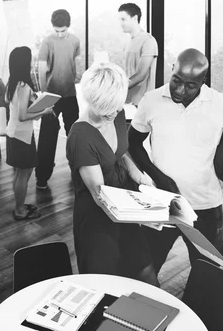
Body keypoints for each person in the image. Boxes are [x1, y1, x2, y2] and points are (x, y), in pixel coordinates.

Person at [128, 48, 223, 276]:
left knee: (210, 276)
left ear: (202, 81)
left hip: (205, 206)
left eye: (190, 86)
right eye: (176, 80)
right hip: (161, 203)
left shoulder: (220, 103)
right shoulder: (152, 100)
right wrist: (159, 178)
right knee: (143, 274)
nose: (179, 89)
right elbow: (133, 142)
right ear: (172, 70)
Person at [66, 63, 159, 284]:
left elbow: (120, 152)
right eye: (107, 108)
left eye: (118, 107)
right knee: (106, 288)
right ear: (92, 101)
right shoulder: (81, 136)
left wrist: (139, 176)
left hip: (125, 209)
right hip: (98, 221)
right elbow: (100, 196)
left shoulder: (116, 112)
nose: (115, 113)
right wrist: (144, 214)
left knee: (148, 277)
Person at [35, 9, 81, 190]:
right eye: (57, 31)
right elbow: (40, 70)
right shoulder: (47, 41)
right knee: (47, 138)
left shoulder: (75, 40)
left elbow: (74, 64)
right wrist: (45, 96)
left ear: (68, 27)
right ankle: (42, 177)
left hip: (70, 95)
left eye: (63, 31)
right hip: (51, 96)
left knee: (75, 136)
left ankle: (77, 173)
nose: (60, 34)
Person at [6, 46, 54, 219]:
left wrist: (36, 104)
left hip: (14, 133)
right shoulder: (23, 86)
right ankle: (19, 210)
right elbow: (23, 115)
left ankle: (19, 205)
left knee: (20, 173)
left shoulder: (12, 84)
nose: (32, 62)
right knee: (24, 173)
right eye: (30, 59)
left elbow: (19, 110)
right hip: (21, 136)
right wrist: (44, 111)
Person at [118, 3, 158, 106]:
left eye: (123, 19)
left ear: (135, 18)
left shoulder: (148, 41)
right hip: (127, 101)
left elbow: (141, 74)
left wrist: (118, 88)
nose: (120, 23)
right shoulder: (128, 43)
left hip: (142, 103)